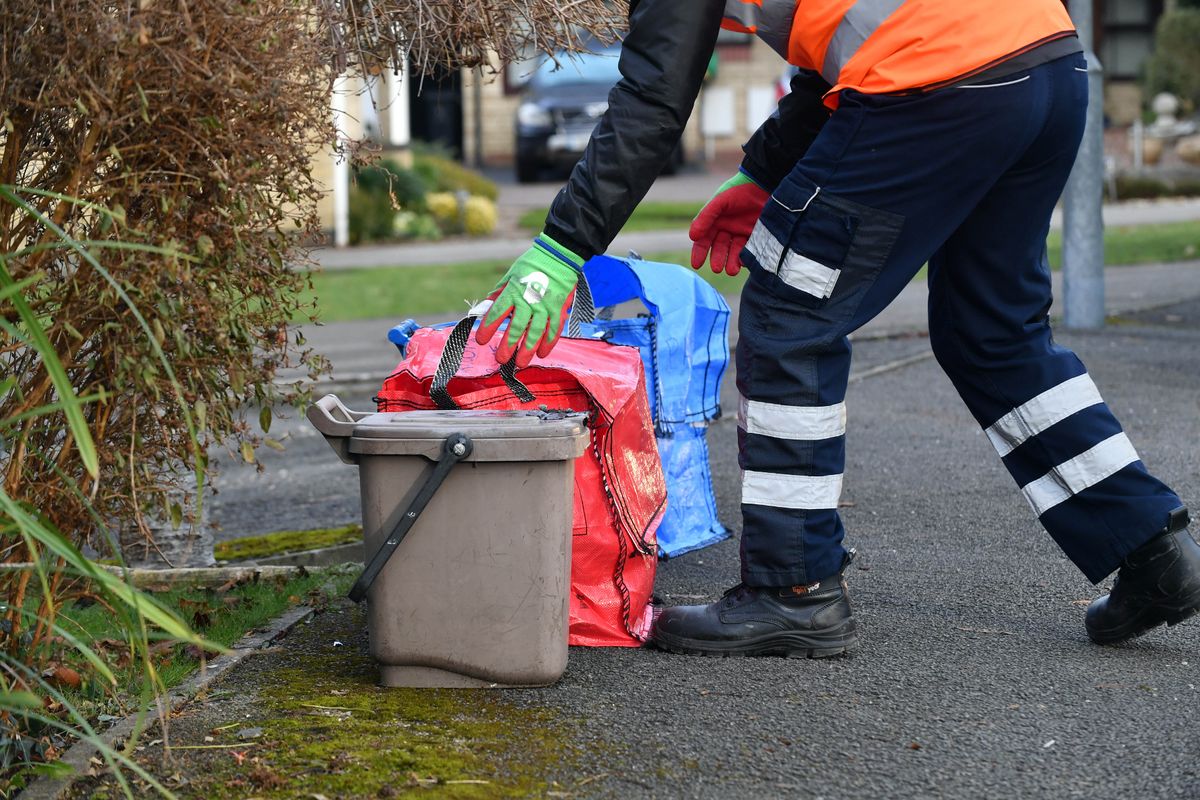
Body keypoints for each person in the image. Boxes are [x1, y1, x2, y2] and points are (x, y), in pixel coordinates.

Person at [474, 0, 1199, 657]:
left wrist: (564, 244)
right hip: (1044, 65)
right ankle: (1150, 550)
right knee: (995, 335)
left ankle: (794, 591)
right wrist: (761, 173)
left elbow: (653, 101)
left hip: (936, 82)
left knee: (791, 314)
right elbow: (846, 53)